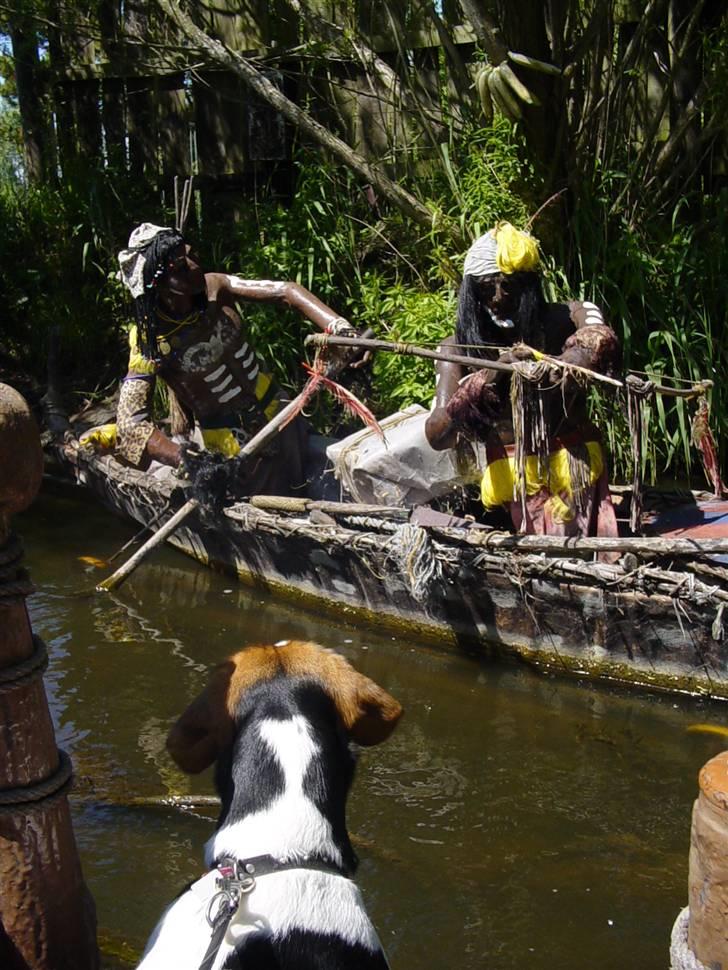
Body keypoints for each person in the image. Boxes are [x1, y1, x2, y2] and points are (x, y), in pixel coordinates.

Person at [115, 223, 358, 496]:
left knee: (308, 474)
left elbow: (286, 291)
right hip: (235, 451)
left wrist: (340, 330)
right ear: (157, 285)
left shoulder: (216, 288)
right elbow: (131, 423)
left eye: (193, 255)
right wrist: (187, 461)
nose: (195, 267)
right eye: (181, 269)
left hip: (282, 414)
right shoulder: (150, 341)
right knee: (269, 499)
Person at [424, 222, 621, 537]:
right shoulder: (455, 349)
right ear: (470, 291)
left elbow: (597, 336)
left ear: (529, 286)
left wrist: (562, 366)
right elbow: (437, 435)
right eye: (487, 288)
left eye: (510, 286)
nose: (499, 298)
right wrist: (491, 377)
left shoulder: (569, 318)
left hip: (573, 468)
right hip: (513, 480)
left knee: (584, 553)